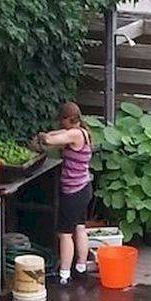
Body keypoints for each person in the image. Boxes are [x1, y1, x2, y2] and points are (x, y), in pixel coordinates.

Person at [36, 101, 93, 287]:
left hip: (73, 192)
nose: (61, 124)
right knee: (80, 228)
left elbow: (50, 140)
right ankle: (81, 268)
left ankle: (64, 275)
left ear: (69, 119)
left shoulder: (75, 134)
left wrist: (43, 137)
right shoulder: (80, 131)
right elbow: (58, 134)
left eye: (62, 120)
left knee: (65, 234)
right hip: (84, 188)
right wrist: (49, 134)